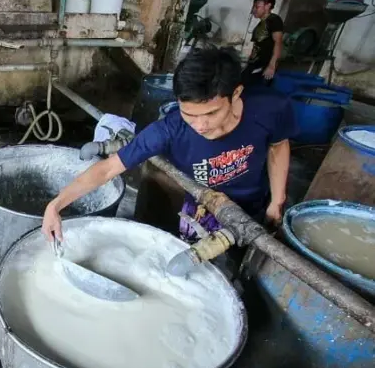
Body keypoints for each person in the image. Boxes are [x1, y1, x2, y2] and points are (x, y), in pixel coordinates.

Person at [42, 46, 295, 245]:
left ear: (236, 94)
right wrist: (56, 205)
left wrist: (278, 200)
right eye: (190, 114)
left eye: (211, 113)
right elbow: (107, 169)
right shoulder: (169, 130)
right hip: (201, 207)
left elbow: (278, 146)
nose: (200, 125)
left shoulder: (269, 109)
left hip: (253, 204)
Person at [242, 0, 284, 87]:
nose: (253, 10)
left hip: (264, 66)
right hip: (255, 63)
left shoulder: (274, 20)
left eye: (257, 7)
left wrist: (272, 66)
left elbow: (278, 43)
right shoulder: (261, 24)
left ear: (268, 6)